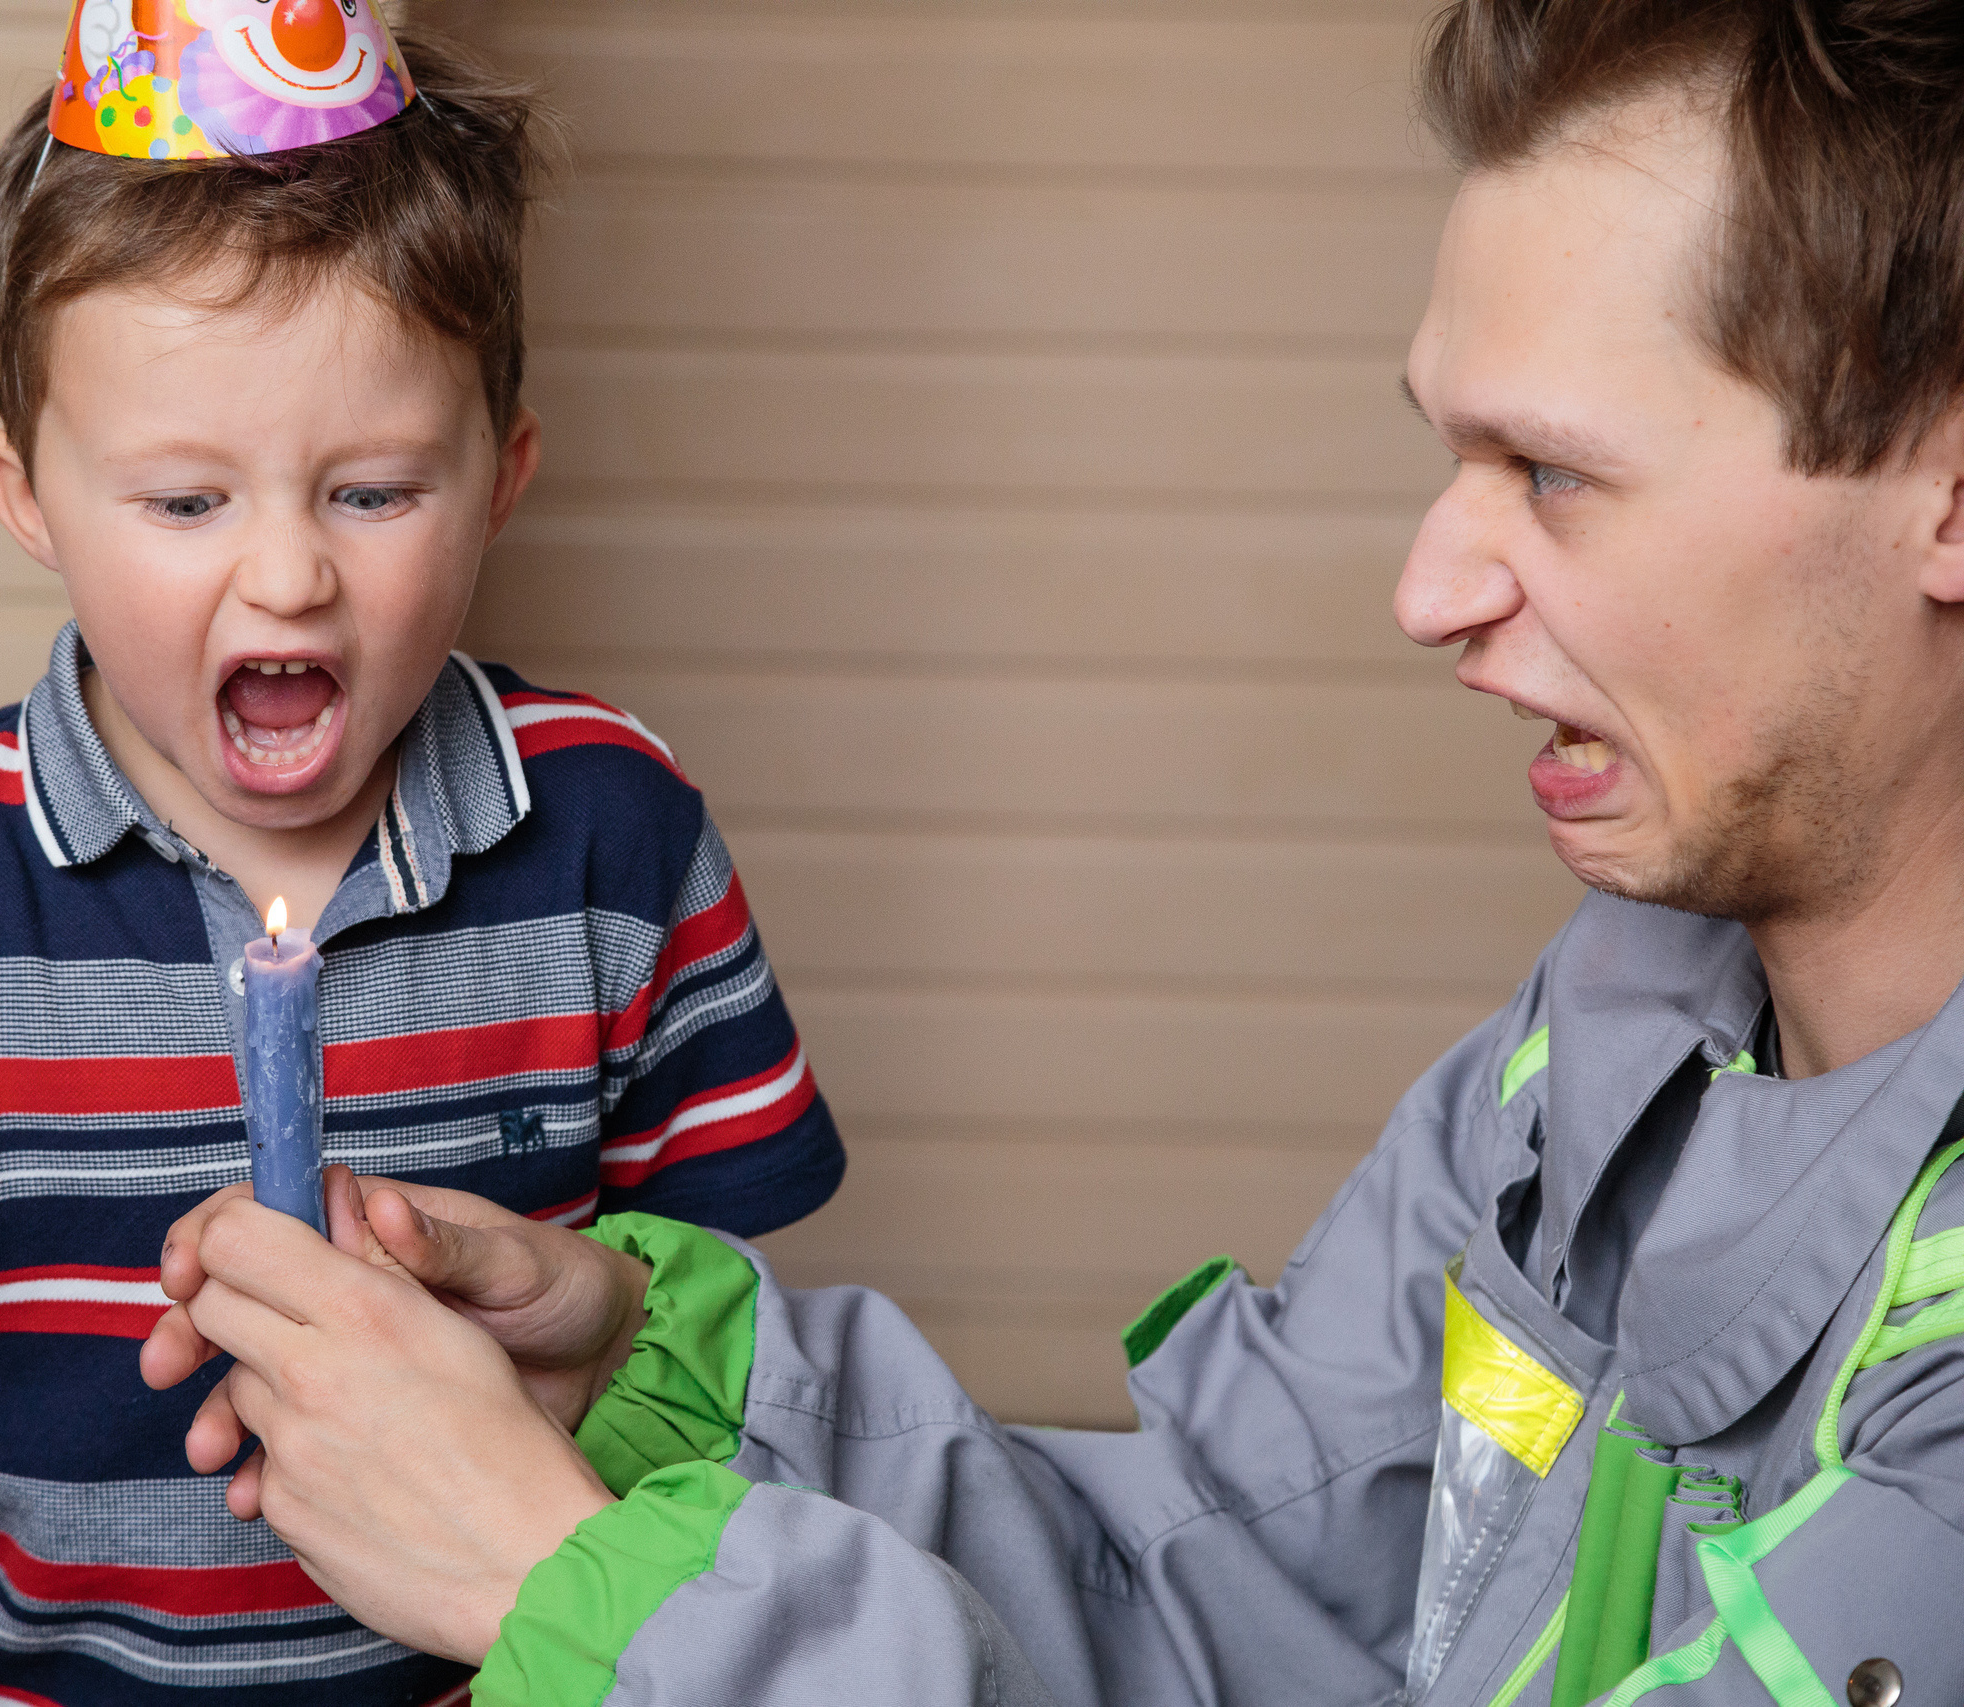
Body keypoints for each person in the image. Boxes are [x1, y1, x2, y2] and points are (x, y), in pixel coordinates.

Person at [143, 2, 1964, 1703]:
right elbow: (1208, 1584)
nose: (1427, 593)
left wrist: (609, 1607)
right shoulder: (1599, 1044)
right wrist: (664, 1389)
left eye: (1555, 474)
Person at [0, 9, 844, 1704]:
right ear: (26, 495)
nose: (286, 579)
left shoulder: (616, 842)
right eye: (185, 502)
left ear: (504, 479)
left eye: (373, 492)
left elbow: (728, 1327)